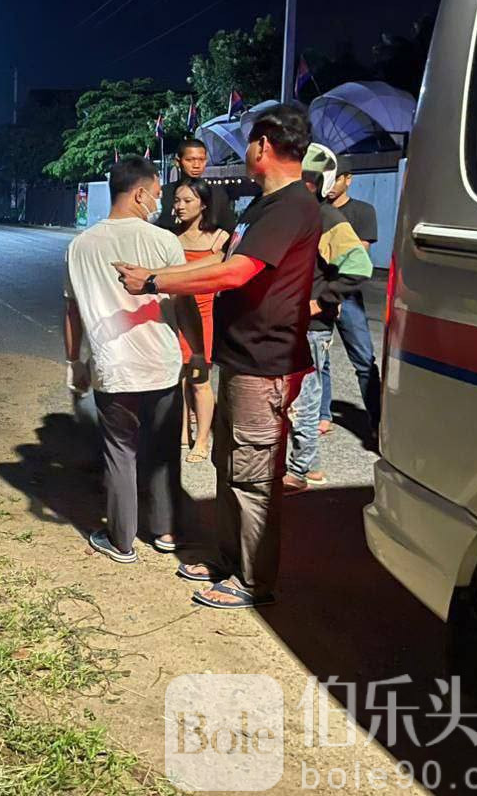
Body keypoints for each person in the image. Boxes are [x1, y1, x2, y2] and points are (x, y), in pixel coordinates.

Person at [114, 104, 321, 610]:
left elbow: (235, 273)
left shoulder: (294, 204)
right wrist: (162, 268)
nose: (246, 151)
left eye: (250, 142)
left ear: (265, 146)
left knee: (252, 476)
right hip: (241, 356)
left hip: (264, 360)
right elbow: (220, 258)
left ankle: (254, 581)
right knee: (230, 467)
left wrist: (156, 281)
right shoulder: (263, 205)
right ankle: (228, 560)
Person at [64, 157, 204, 564]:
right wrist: (195, 351)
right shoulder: (163, 241)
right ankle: (165, 532)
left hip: (114, 367)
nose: (159, 203)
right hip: (161, 365)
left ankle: (121, 541)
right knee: (162, 452)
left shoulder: (80, 247)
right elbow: (186, 300)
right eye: (157, 195)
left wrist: (76, 363)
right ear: (139, 193)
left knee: (120, 453)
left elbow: (72, 313)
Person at [285, 146, 374, 491]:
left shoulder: (326, 218)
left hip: (312, 328)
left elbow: (359, 267)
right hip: (292, 324)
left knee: (305, 400)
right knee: (296, 399)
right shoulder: (297, 215)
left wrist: (321, 301)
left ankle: (301, 470)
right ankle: (309, 465)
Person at [319, 154, 382, 437]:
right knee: (320, 358)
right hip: (319, 292)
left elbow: (359, 254)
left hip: (348, 295)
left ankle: (377, 418)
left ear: (348, 180)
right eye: (327, 178)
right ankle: (322, 415)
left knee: (364, 360)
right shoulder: (316, 210)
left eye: (337, 178)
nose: (330, 185)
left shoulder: (363, 211)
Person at [171, 177, 230, 463]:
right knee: (179, 378)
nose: (180, 206)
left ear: (203, 204)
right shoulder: (170, 239)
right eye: (177, 200)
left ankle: (203, 439)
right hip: (175, 315)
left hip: (205, 315)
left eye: (187, 201)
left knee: (200, 380)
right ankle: (182, 433)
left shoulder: (220, 239)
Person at [159, 139, 239, 233]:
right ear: (178, 162)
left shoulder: (217, 193)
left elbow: (228, 228)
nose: (196, 165)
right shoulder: (164, 193)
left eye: (201, 160)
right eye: (190, 160)